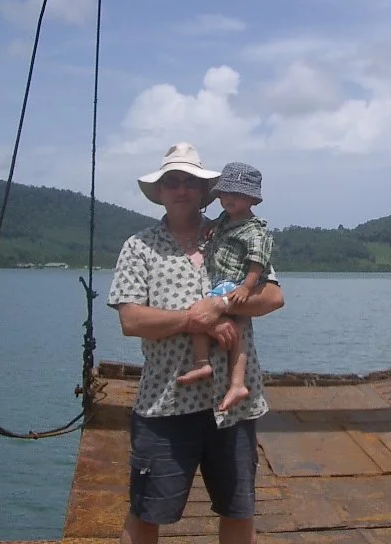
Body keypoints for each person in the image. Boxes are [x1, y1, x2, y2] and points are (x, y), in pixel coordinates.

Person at [107, 142, 284, 544]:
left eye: (190, 181)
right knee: (146, 512)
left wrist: (219, 306)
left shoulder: (235, 233)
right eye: (173, 182)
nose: (182, 189)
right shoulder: (140, 246)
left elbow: (274, 296)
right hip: (166, 402)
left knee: (239, 511)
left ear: (206, 190)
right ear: (161, 192)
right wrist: (193, 320)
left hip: (233, 405)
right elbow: (131, 320)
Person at [176, 162, 273, 416]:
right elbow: (216, 227)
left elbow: (257, 263)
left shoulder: (255, 231)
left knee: (212, 319)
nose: (229, 199)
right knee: (202, 317)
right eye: (226, 193)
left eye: (238, 195)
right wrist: (210, 229)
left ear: (252, 199)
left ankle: (234, 380)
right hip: (221, 282)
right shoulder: (224, 220)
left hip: (233, 284)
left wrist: (246, 288)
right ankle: (205, 364)